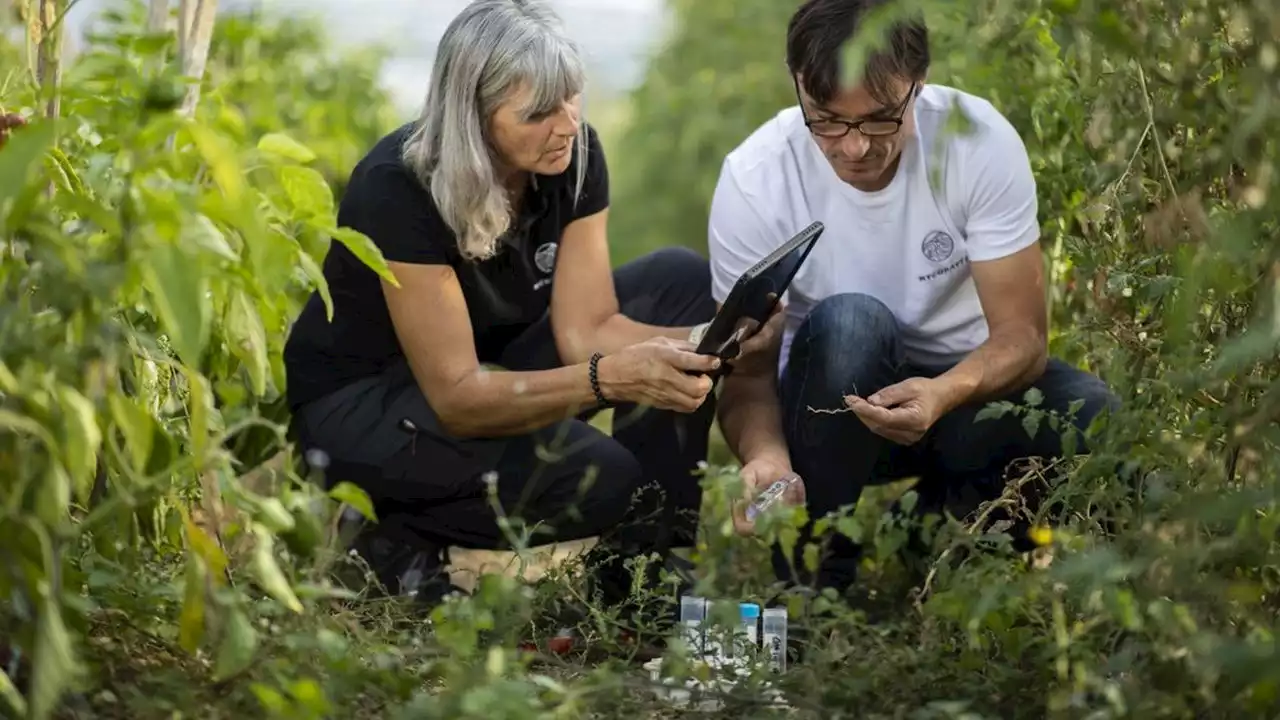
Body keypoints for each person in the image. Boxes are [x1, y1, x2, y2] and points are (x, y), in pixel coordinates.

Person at [282, 0, 730, 608]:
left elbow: (586, 330)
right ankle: (397, 533)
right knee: (606, 479)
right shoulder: (397, 187)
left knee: (679, 282)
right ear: (473, 117)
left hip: (479, 364)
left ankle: (644, 577)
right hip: (363, 405)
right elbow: (461, 397)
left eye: (571, 97)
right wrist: (612, 378)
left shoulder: (572, 159)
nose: (567, 124)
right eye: (539, 112)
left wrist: (707, 338)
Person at [710, 0, 1120, 594]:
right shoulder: (756, 180)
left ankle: (943, 528)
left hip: (964, 396)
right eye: (826, 120)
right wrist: (767, 456)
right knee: (851, 324)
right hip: (829, 415)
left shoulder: (975, 142)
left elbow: (1023, 339)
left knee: (1093, 415)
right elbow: (745, 379)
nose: (853, 148)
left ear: (919, 82)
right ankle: (814, 582)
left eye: (878, 119)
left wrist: (943, 392)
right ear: (796, 83)